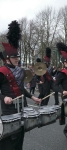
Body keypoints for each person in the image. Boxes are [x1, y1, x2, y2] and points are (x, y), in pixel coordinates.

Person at [0, 20, 41, 150]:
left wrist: (32, 97)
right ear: (7, 59)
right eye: (14, 57)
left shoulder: (21, 71)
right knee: (8, 136)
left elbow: (21, 88)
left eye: (17, 56)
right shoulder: (2, 72)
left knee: (20, 134)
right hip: (8, 108)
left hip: (22, 106)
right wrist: (4, 98)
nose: (17, 58)